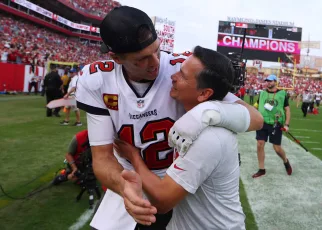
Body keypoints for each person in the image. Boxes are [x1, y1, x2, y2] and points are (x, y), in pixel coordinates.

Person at [75, 6, 263, 230]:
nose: (155, 62)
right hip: (129, 180)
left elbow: (256, 119)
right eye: (142, 59)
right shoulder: (97, 80)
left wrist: (208, 112)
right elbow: (102, 158)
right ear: (116, 58)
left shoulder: (181, 69)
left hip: (177, 186)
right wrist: (125, 187)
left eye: (157, 50)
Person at [114, 47, 250, 230]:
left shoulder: (209, 137)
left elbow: (162, 201)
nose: (173, 76)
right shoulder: (193, 121)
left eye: (183, 76)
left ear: (204, 94)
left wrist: (134, 158)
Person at [252, 74, 292, 178]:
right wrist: (251, 111)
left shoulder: (282, 94)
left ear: (275, 81)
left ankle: (285, 161)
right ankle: (261, 169)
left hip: (276, 123)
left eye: (270, 81)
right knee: (260, 144)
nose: (268, 82)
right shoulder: (262, 94)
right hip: (262, 122)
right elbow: (256, 105)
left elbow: (287, 110)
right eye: (267, 81)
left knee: (277, 148)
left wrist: (287, 124)